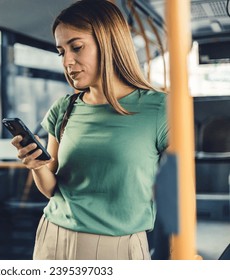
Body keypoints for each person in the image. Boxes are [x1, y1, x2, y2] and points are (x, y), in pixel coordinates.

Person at [11, 0, 168, 260]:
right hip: (52, 238)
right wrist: (37, 165)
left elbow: (180, 192)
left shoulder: (160, 109)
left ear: (109, 43)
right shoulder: (64, 108)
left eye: (77, 47)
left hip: (119, 246)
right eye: (61, 52)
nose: (67, 61)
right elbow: (52, 190)